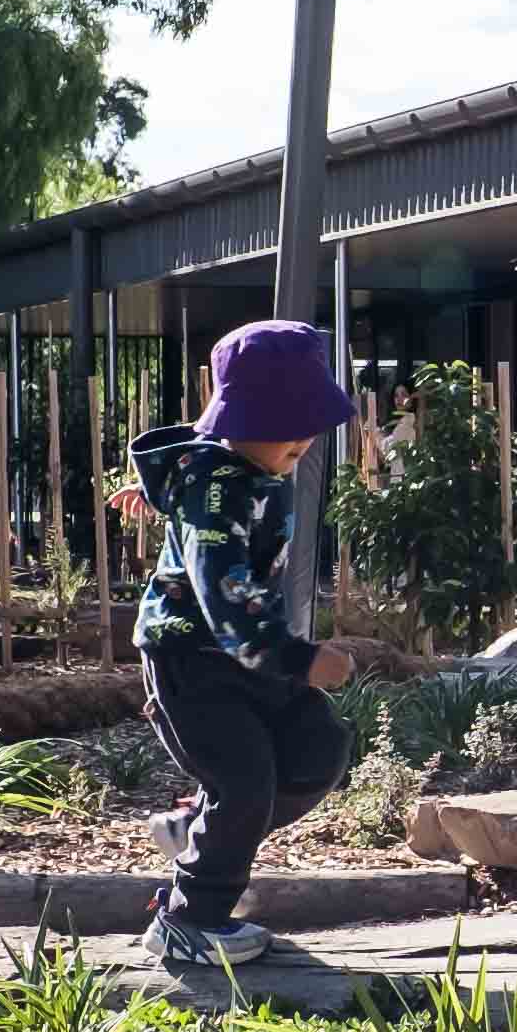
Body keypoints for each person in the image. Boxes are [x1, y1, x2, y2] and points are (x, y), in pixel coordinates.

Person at [119, 318, 357, 973]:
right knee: (246, 781)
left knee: (317, 748)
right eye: (289, 425)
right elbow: (224, 595)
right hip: (193, 662)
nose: (304, 441)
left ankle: (196, 833)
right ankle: (189, 920)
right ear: (241, 420)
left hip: (245, 656)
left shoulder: (232, 470)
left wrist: (161, 493)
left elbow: (193, 479)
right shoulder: (217, 489)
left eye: (308, 424)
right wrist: (302, 660)